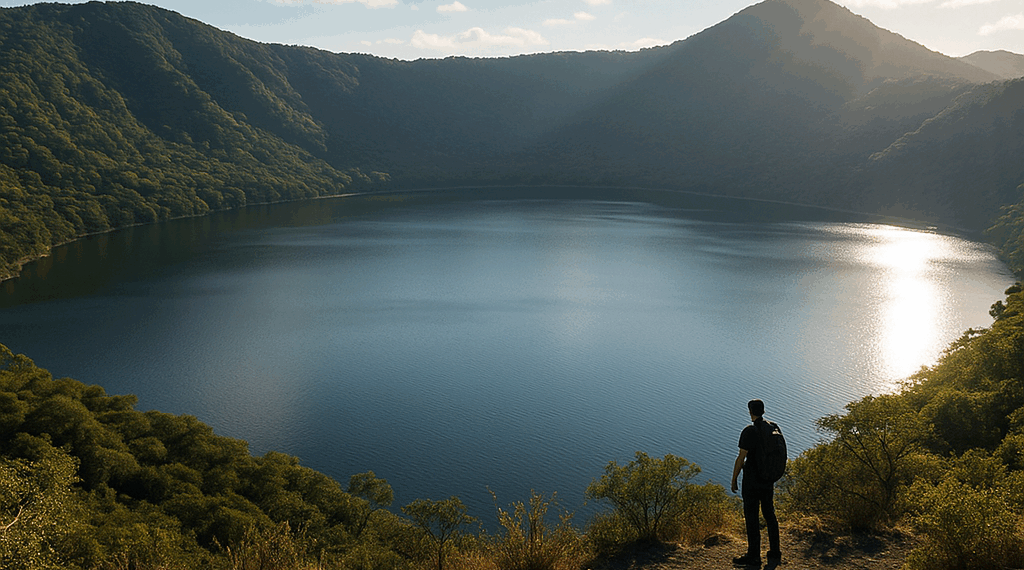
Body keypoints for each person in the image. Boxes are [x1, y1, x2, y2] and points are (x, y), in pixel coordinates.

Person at [731, 399, 781, 567]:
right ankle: (775, 552)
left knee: (752, 518)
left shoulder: (749, 431)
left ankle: (753, 556)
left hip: (752, 482)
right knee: (769, 515)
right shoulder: (773, 427)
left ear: (750, 411)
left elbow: (741, 458)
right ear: (763, 410)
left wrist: (734, 479)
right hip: (768, 480)